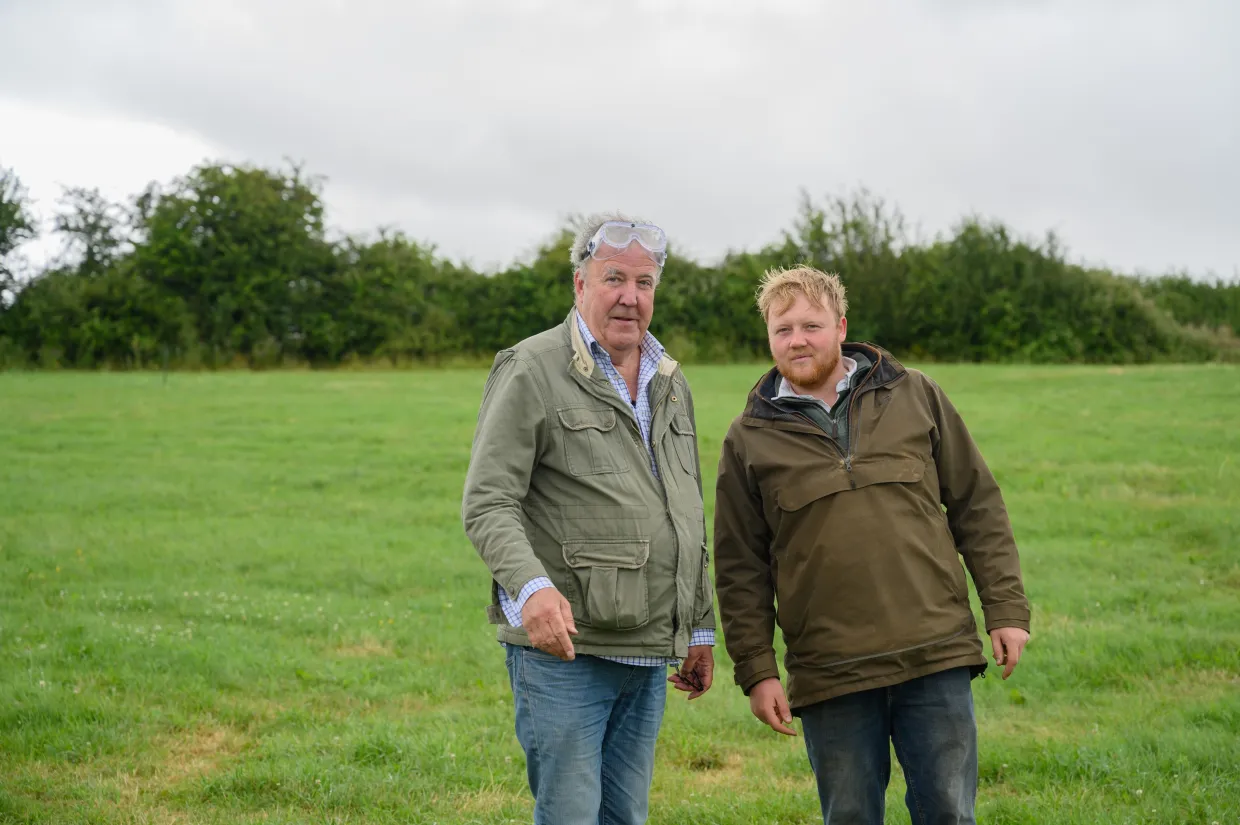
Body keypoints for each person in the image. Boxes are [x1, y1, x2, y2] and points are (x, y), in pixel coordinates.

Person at [712, 265, 1031, 824]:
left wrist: (1005, 609)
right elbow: (740, 567)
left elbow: (976, 504)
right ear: (769, 338)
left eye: (811, 325)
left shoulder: (916, 394)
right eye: (783, 329)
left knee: (949, 814)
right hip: (830, 671)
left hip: (935, 652)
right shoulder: (748, 438)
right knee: (851, 817)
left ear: (840, 326)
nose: (797, 340)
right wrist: (757, 670)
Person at [460, 213, 715, 825]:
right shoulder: (531, 367)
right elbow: (488, 501)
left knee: (625, 817)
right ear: (580, 284)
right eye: (614, 279)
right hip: (566, 653)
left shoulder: (668, 379)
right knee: (571, 814)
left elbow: (685, 510)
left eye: (644, 283)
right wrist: (531, 588)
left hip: (647, 651)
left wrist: (699, 628)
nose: (630, 297)